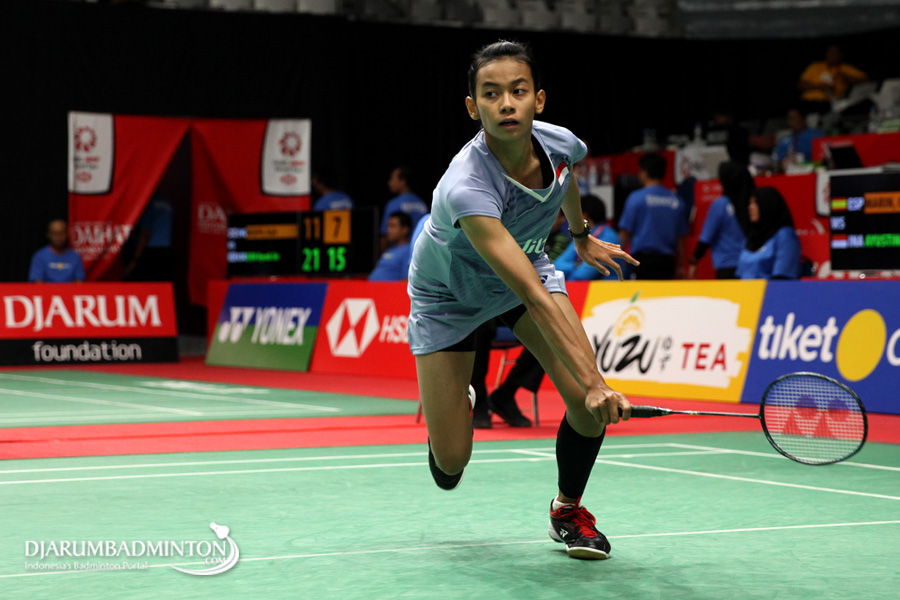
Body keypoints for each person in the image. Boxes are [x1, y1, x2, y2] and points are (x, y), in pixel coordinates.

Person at [407, 40, 639, 560]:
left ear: (539, 99)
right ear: (474, 108)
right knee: (450, 465)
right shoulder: (466, 185)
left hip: (526, 263)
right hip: (450, 296)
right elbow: (533, 296)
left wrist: (579, 234)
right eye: (491, 94)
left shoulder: (562, 144)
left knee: (586, 410)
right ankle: (458, 407)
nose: (506, 104)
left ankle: (567, 511)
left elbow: (566, 176)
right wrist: (598, 382)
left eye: (518, 91)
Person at [616, 152, 688, 280]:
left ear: (644, 172)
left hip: (641, 262)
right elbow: (680, 240)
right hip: (667, 263)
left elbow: (624, 234)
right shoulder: (677, 201)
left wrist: (616, 260)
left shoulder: (635, 198)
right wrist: (680, 265)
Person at [688, 161, 755, 280]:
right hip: (752, 267)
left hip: (728, 268)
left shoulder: (720, 205)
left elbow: (706, 238)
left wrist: (694, 260)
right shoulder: (752, 204)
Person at [736, 186, 802, 280]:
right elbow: (739, 275)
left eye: (756, 202)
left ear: (768, 204)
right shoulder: (751, 238)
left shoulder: (785, 236)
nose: (750, 207)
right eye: (750, 203)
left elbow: (783, 279)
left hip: (771, 289)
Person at [555, 194, 624, 281]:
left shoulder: (610, 238)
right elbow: (557, 266)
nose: (568, 219)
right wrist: (576, 265)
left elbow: (582, 275)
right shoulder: (582, 235)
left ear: (584, 215)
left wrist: (568, 274)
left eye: (573, 214)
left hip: (610, 288)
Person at [797, 44, 869, 117]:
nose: (831, 55)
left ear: (841, 55)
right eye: (829, 52)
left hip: (830, 103)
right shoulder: (815, 66)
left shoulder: (845, 68)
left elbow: (867, 80)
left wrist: (848, 78)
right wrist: (820, 87)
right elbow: (800, 85)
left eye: (834, 53)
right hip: (808, 102)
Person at [123, 193, 174, 282]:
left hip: (147, 253)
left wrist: (134, 260)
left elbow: (145, 233)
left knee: (142, 287)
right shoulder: (166, 202)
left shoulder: (146, 202)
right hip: (165, 252)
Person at [381, 165, 428, 254]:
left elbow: (384, 234)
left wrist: (384, 256)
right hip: (421, 252)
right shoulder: (422, 204)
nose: (389, 182)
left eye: (392, 179)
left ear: (403, 181)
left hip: (397, 252)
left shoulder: (393, 204)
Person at [771, 106, 825, 173]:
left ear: (803, 119)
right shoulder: (784, 140)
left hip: (813, 172)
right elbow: (776, 160)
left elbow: (824, 160)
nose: (790, 122)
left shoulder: (816, 136)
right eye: (789, 118)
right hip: (790, 173)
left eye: (793, 118)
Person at [368, 211, 412, 281]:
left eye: (392, 226)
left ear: (405, 229)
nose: (388, 230)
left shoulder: (409, 251)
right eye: (388, 226)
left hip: (388, 288)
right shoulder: (389, 250)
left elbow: (407, 280)